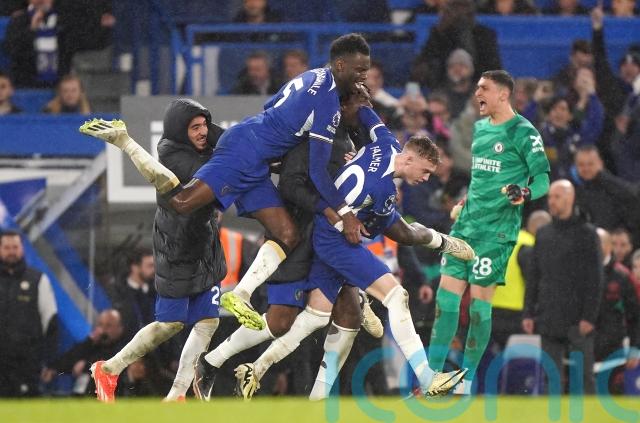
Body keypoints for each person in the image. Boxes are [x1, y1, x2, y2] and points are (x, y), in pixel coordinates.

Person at [80, 34, 372, 333]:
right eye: (360, 70)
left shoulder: (313, 75)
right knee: (182, 202)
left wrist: (273, 154)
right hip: (243, 151)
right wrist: (346, 213)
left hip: (255, 155)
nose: (365, 76)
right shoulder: (328, 103)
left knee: (288, 233)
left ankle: (241, 294)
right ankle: (125, 141)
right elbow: (318, 171)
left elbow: (272, 105)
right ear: (340, 65)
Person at [231, 108, 476, 400]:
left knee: (316, 317)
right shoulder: (383, 191)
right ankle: (427, 378)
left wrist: (355, 102)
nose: (425, 178)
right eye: (424, 171)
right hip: (336, 241)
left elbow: (368, 116)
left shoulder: (385, 143)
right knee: (397, 296)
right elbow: (387, 231)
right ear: (409, 159)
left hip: (326, 234)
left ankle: (258, 369)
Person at [192, 88, 384, 402]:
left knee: (347, 313)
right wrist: (327, 209)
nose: (367, 112)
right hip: (299, 234)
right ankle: (212, 361)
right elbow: (292, 185)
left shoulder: (358, 144)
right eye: (362, 105)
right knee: (280, 320)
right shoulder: (313, 138)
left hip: (329, 239)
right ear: (342, 105)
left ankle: (318, 401)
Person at [89, 99, 227, 403]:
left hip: (205, 246)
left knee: (209, 320)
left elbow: (228, 142)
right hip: (177, 249)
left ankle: (178, 393)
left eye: (204, 124)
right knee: (170, 324)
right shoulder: (172, 155)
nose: (203, 132)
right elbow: (185, 178)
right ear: (179, 130)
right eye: (195, 127)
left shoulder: (203, 142)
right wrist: (127, 144)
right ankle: (109, 368)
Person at [427, 70, 551, 396]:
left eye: (484, 88)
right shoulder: (480, 129)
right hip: (466, 226)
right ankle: (432, 376)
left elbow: (542, 179)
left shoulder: (525, 132)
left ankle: (466, 382)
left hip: (496, 232)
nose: (477, 93)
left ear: (503, 95)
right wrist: (465, 201)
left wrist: (524, 193)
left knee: (479, 307)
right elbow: (481, 179)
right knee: (446, 299)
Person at [522, 180, 603, 394]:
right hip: (548, 315)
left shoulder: (587, 234)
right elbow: (534, 276)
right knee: (551, 377)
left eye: (557, 197)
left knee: (584, 378)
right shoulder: (543, 234)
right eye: (550, 197)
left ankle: (589, 412)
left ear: (570, 198)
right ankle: (553, 413)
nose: (551, 201)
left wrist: (589, 316)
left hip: (579, 319)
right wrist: (528, 312)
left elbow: (595, 279)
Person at [0, 230, 58, 397]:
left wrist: (50, 361)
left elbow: (50, 321)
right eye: (7, 247)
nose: (11, 251)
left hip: (27, 363)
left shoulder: (38, 280)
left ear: (22, 248)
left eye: (15, 247)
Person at [491, 210, 551, 352]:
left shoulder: (508, 241)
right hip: (515, 314)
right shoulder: (529, 246)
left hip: (494, 308)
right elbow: (533, 281)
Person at [411, 0, 501, 90]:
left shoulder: (484, 35)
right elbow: (424, 65)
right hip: (443, 88)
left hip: (476, 89)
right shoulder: (438, 34)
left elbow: (493, 69)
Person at [594, 228, 640, 394]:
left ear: (608, 247)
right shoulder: (579, 273)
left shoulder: (623, 276)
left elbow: (635, 316)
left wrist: (634, 349)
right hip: (583, 346)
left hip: (613, 350)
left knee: (611, 398)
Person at [41, 309, 127, 396]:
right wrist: (89, 341)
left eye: (108, 326)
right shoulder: (94, 344)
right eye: (100, 325)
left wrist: (86, 365)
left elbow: (110, 361)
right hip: (81, 395)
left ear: (119, 328)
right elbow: (69, 358)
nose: (103, 330)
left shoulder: (125, 347)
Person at [107, 248, 156, 341]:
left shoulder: (157, 293)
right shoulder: (117, 293)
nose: (154, 270)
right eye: (150, 266)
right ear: (135, 267)